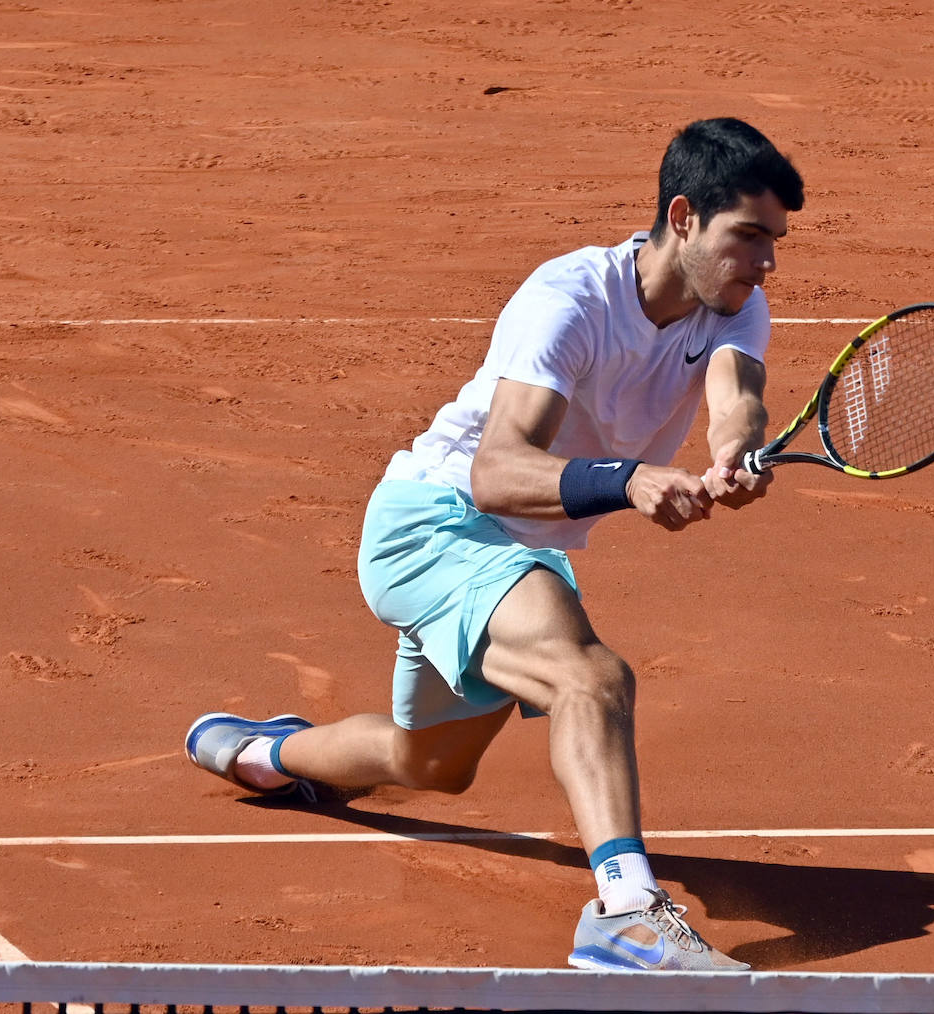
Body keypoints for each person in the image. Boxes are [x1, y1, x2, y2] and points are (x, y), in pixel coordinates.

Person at [186, 117, 805, 972]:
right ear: (685, 216)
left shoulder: (734, 305)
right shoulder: (570, 301)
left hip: (512, 554)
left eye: (776, 241)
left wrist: (736, 451)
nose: (767, 262)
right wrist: (627, 479)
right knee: (590, 676)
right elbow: (497, 471)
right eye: (749, 237)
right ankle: (625, 913)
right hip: (432, 526)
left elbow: (737, 396)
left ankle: (260, 752)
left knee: (430, 762)